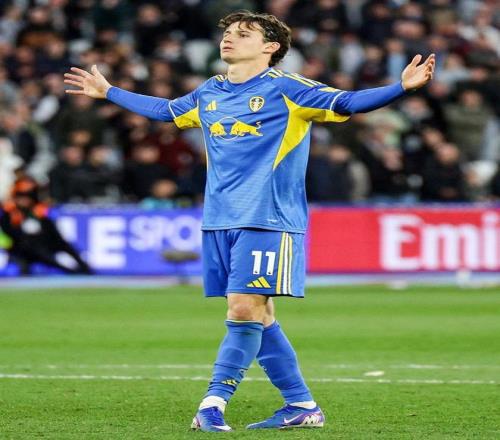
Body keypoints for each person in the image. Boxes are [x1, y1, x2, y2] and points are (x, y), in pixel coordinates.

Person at [63, 10, 434, 432]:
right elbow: (166, 111)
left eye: (243, 34)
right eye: (228, 32)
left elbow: (345, 102)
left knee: (242, 309)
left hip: (268, 217)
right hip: (219, 218)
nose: (229, 38)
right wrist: (109, 91)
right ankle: (301, 405)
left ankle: (213, 403)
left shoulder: (288, 89)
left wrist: (400, 88)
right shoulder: (210, 91)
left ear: (270, 47)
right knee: (259, 314)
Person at [0, 177, 92, 275]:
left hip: (43, 245)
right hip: (20, 250)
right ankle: (69, 271)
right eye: (20, 196)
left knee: (63, 244)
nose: (24, 199)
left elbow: (55, 235)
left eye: (28, 196)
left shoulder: (40, 211)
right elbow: (10, 236)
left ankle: (84, 268)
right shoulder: (9, 213)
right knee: (31, 251)